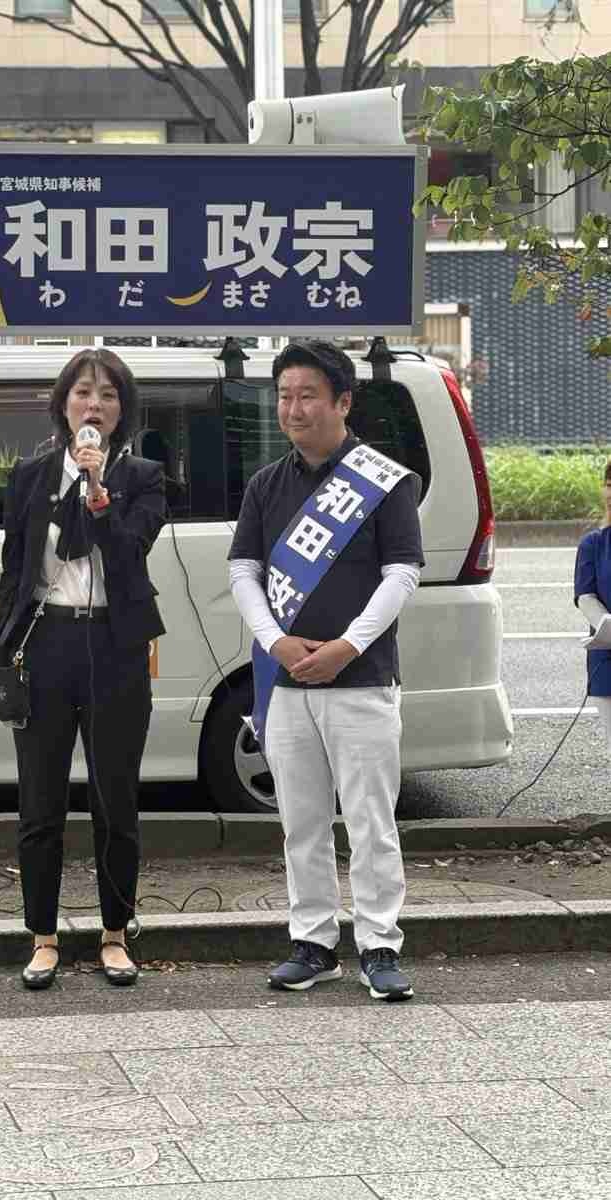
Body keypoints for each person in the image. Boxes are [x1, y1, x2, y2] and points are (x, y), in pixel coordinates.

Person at [228, 341, 424, 1001]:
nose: (293, 408)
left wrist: (348, 645)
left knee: (371, 820)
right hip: (286, 684)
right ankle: (312, 943)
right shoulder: (266, 484)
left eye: (307, 394)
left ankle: (379, 946)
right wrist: (275, 641)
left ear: (342, 401)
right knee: (301, 821)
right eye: (284, 395)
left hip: (362, 681)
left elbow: (402, 574)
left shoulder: (383, 481)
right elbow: (244, 572)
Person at [0, 348, 166, 990]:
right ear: (64, 404)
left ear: (123, 410)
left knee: (114, 801)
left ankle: (115, 935)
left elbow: (129, 551)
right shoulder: (31, 475)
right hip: (46, 645)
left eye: (108, 395)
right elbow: (14, 570)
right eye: (83, 393)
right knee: (40, 804)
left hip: (115, 648)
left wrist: (97, 494)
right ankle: (42, 938)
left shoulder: (143, 477)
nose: (95, 405)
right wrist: (3, 650)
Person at [574, 458, 611, 750]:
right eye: (609, 484)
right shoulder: (593, 543)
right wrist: (606, 626)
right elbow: (585, 597)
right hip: (607, 661)